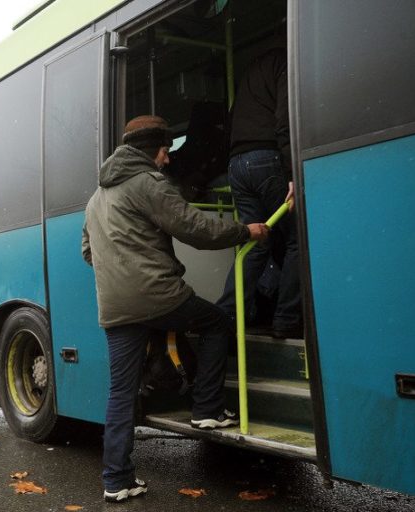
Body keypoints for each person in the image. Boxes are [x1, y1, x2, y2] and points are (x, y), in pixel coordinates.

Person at [82, 116, 269, 503]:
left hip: (115, 306)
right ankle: (207, 407)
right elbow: (192, 227)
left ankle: (116, 481)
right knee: (217, 322)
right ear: (151, 149)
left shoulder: (96, 198)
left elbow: (88, 252)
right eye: (166, 150)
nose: (167, 159)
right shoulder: (148, 182)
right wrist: (244, 231)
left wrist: (122, 269)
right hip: (157, 295)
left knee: (120, 391)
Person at [216, 47, 301, 339]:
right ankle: (287, 320)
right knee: (297, 241)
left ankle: (226, 317)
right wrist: (292, 173)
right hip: (267, 157)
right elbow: (285, 119)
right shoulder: (285, 59)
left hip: (237, 164)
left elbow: (229, 122)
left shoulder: (252, 69)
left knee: (254, 242)